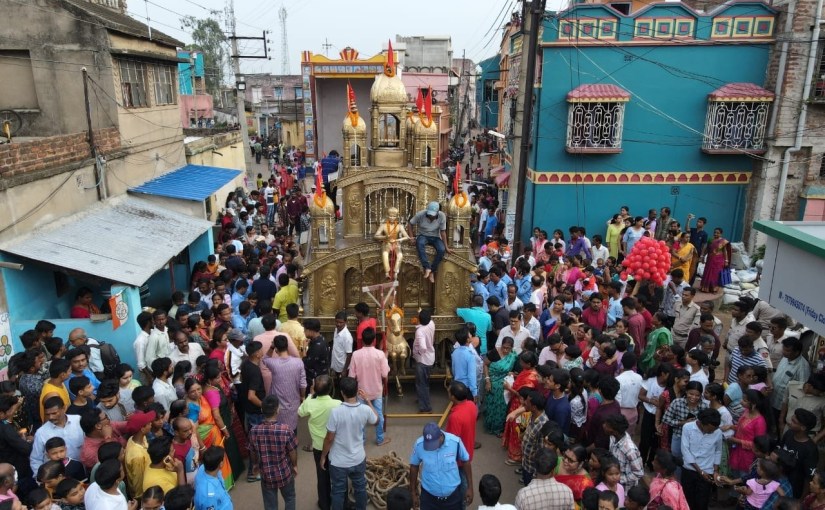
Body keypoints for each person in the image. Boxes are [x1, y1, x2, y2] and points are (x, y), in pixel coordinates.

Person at [320, 377, 378, 510]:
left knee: (338, 491)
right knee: (360, 488)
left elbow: (329, 439)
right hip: (358, 458)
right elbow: (376, 420)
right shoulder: (365, 410)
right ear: (357, 391)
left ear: (342, 393)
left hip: (338, 461)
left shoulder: (336, 412)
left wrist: (323, 456)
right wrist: (368, 400)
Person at [297, 375, 341, 510]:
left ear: (314, 389)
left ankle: (324, 503)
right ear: (331, 389)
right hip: (335, 445)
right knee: (338, 475)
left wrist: (310, 395)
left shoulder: (310, 402)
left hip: (318, 447)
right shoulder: (337, 404)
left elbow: (300, 412)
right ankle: (339, 501)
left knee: (322, 476)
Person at [248, 395, 297, 510]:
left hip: (266, 475)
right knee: (290, 498)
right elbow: (292, 451)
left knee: (270, 504)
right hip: (285, 473)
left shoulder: (254, 431)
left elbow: (252, 452)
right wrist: (294, 465)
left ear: (261, 410)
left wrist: (255, 465)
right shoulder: (285, 429)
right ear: (277, 410)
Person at [409, 422, 473, 510]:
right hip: (428, 499)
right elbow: (414, 466)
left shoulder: (455, 442)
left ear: (440, 436)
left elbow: (466, 461)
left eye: (433, 444)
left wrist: (470, 487)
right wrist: (413, 492)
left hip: (453, 498)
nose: (431, 447)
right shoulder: (419, 445)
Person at [346, 328, 390, 446]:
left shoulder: (356, 354)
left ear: (362, 340)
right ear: (374, 340)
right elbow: (385, 374)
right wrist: (386, 359)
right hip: (376, 391)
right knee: (378, 414)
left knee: (361, 417)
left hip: (361, 391)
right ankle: (380, 439)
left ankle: (362, 440)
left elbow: (351, 376)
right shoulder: (380, 355)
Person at [262, 336, 306, 434]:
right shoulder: (298, 362)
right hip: (294, 401)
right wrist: (302, 396)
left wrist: (272, 347)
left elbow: (265, 359)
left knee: (279, 430)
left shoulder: (273, 363)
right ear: (287, 346)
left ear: (276, 349)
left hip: (279, 404)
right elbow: (303, 384)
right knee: (293, 429)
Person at [31, 397, 84, 477]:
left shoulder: (78, 421)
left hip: (80, 472)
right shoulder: (41, 433)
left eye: (54, 413)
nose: (50, 417)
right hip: (55, 478)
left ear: (64, 408)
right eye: (48, 414)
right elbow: (36, 459)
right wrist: (41, 479)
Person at [681, 408, 723, 510]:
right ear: (701, 423)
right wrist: (700, 472)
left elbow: (718, 451)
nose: (713, 431)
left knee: (702, 503)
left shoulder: (717, 432)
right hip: (689, 470)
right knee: (688, 500)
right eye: (710, 429)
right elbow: (685, 451)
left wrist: (716, 471)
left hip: (708, 472)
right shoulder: (687, 427)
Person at [408, 201, 450, 283]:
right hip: (422, 235)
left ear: (438, 212)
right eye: (430, 214)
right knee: (419, 243)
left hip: (435, 236)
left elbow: (443, 232)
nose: (431, 216)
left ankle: (432, 271)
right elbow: (410, 224)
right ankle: (427, 267)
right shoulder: (420, 214)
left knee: (441, 250)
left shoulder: (442, 216)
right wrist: (411, 237)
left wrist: (446, 247)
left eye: (433, 215)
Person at [482, 337, 516, 436]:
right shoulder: (495, 353)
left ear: (512, 348)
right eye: (504, 347)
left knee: (501, 407)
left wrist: (511, 373)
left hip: (504, 385)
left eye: (508, 348)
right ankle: (490, 426)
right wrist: (487, 380)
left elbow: (512, 369)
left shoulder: (512, 356)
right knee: (492, 405)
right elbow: (485, 364)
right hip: (492, 383)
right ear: (501, 345)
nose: (505, 350)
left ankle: (498, 428)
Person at [604, 413, 644, 487]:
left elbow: (639, 473)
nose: (604, 426)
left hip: (625, 488)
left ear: (614, 431)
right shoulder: (613, 437)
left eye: (607, 426)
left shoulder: (630, 450)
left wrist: (618, 479)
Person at [373, 206, 411, 279]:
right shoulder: (383, 225)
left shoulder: (400, 226)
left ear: (396, 217)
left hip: (396, 243)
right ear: (387, 216)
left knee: (400, 255)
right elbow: (376, 236)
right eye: (390, 216)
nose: (392, 218)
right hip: (386, 243)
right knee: (384, 254)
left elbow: (407, 237)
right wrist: (385, 237)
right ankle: (387, 273)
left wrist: (398, 240)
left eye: (394, 216)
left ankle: (396, 272)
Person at [413, 310, 435, 413]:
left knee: (423, 384)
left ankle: (425, 407)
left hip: (423, 360)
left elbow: (423, 347)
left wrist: (418, 352)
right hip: (430, 358)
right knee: (422, 382)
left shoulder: (420, 331)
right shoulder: (431, 324)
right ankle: (421, 399)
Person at [700, 227, 731, 293]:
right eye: (715, 232)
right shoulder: (710, 240)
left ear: (721, 234)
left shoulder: (723, 241)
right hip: (710, 259)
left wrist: (726, 261)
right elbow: (707, 249)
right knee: (707, 272)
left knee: (716, 274)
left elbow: (725, 251)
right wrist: (702, 256)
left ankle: (714, 288)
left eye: (718, 233)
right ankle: (705, 287)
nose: (716, 234)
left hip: (719, 260)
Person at [330, 311, 353, 382]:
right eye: (337, 322)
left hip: (342, 367)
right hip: (336, 365)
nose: (338, 324)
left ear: (345, 322)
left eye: (341, 322)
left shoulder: (347, 337)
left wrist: (344, 370)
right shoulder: (336, 329)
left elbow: (349, 354)